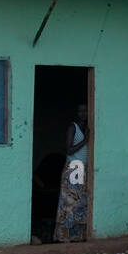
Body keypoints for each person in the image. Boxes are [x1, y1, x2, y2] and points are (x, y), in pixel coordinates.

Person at [54, 103, 89, 242]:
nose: (83, 113)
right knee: (69, 203)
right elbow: (69, 150)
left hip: (83, 168)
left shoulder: (86, 128)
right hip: (74, 168)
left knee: (80, 202)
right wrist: (86, 140)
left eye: (86, 111)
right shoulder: (72, 127)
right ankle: (63, 236)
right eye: (80, 111)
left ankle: (77, 236)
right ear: (76, 113)